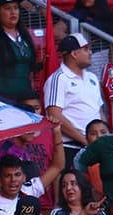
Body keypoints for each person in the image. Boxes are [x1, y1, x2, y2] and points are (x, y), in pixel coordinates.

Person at [45, 33, 105, 162]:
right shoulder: (58, 78)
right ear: (74, 54)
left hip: (97, 145)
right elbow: (54, 115)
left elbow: (99, 111)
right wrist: (84, 140)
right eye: (85, 49)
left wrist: (105, 137)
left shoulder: (92, 77)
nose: (90, 53)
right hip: (71, 146)